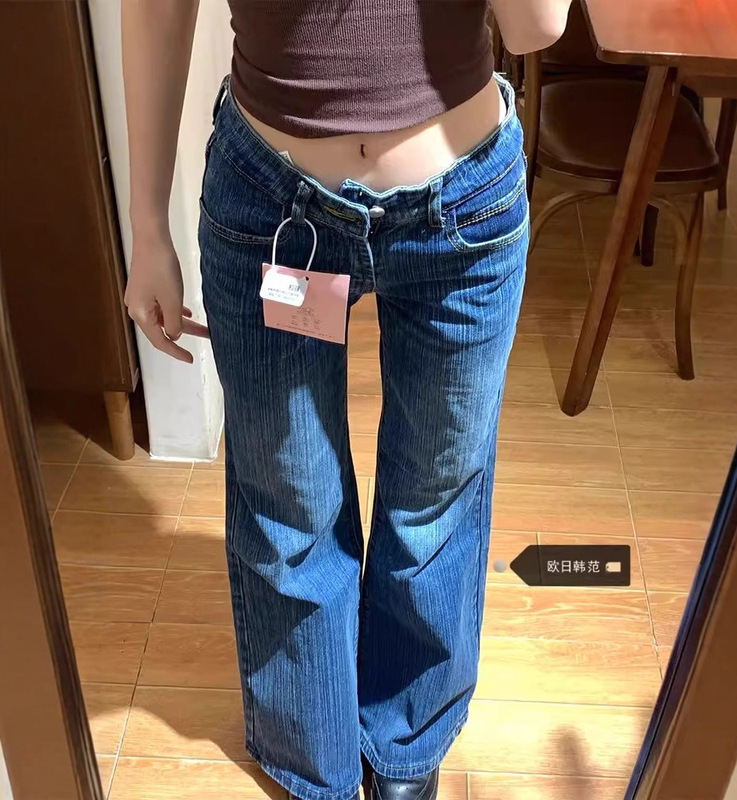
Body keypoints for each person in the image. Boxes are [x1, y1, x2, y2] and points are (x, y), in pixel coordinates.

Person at [121, 2, 571, 798]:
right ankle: (314, 763)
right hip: (276, 210)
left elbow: (537, 26)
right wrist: (146, 224)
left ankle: (405, 750)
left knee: (436, 502)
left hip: (462, 209)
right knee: (290, 505)